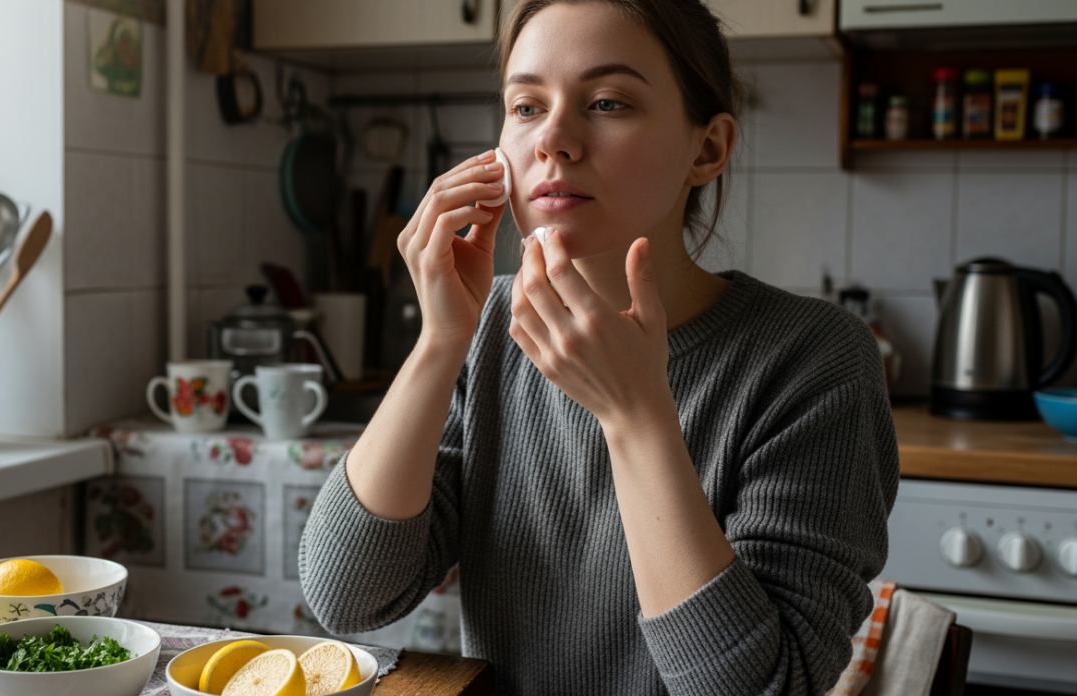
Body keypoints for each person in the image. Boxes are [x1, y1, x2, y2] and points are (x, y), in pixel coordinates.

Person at [299, 0, 899, 693]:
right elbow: (350, 598)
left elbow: (765, 686)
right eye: (526, 107)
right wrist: (439, 342)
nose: (553, 140)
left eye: (608, 102)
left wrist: (637, 415)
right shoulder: (488, 328)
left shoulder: (817, 359)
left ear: (707, 149)